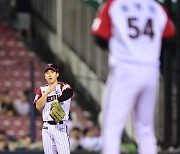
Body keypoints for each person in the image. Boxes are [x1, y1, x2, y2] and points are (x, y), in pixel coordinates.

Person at [91, 0, 176, 154]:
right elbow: (170, 37)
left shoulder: (114, 5)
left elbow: (100, 37)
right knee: (145, 129)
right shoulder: (156, 7)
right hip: (151, 69)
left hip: (125, 67)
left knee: (112, 126)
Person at [33, 63, 73, 154]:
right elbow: (38, 106)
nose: (50, 74)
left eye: (52, 72)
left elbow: (69, 93)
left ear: (57, 74)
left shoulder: (62, 86)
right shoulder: (42, 89)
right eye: (47, 73)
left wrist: (58, 100)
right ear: (44, 76)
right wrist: (47, 93)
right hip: (46, 127)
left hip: (60, 126)